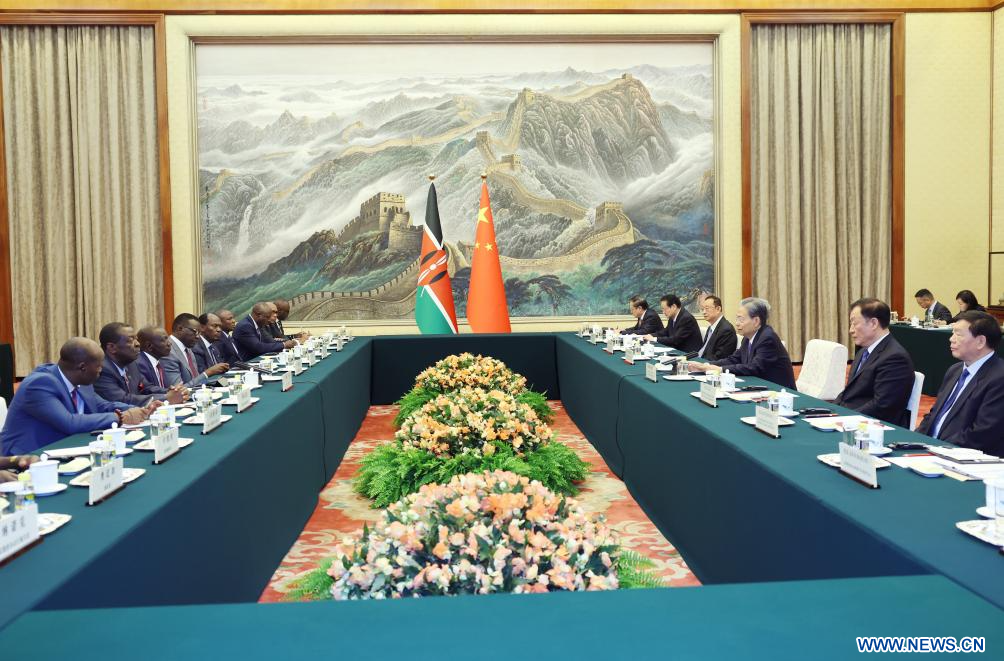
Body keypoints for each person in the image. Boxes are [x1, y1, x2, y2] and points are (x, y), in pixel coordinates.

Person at [0, 338, 155, 455]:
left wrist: (141, 409)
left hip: (64, 450)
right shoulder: (40, 384)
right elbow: (69, 422)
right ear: (82, 367)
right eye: (99, 366)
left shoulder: (80, 380)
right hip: (27, 458)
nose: (101, 370)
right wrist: (120, 417)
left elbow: (103, 405)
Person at [916, 311, 1004, 456]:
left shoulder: (999, 378)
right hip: (932, 448)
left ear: (980, 342)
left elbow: (982, 434)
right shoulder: (955, 370)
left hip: (964, 457)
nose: (951, 339)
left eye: (958, 334)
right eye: (952, 333)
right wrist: (914, 439)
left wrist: (937, 449)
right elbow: (934, 414)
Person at [834, 299, 915, 426]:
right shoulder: (863, 351)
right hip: (852, 418)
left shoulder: (895, 358)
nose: (851, 330)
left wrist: (844, 419)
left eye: (854, 324)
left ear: (873, 323)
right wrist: (832, 412)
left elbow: (882, 406)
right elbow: (848, 393)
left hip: (873, 427)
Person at [687, 297, 796, 389]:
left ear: (756, 321)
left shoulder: (767, 338)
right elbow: (734, 359)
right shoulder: (748, 337)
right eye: (737, 318)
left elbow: (754, 367)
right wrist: (707, 365)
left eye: (741, 319)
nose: (737, 323)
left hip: (780, 392)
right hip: (759, 387)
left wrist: (720, 370)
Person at [94, 322, 186, 406]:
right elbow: (123, 399)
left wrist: (172, 391)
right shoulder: (101, 369)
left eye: (136, 339)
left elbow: (146, 388)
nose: (138, 344)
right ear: (112, 347)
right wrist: (166, 397)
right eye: (131, 340)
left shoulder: (131, 364)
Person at [163, 313, 230, 388]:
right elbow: (178, 389)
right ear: (180, 328)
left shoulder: (188, 348)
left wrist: (226, 382)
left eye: (199, 333)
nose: (198, 336)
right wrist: (207, 373)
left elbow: (196, 380)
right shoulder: (168, 351)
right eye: (195, 331)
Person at [234, 302, 301, 360]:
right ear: (258, 315)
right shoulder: (245, 326)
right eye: (267, 317)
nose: (268, 320)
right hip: (247, 363)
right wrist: (284, 345)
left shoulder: (257, 323)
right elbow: (259, 347)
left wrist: (287, 343)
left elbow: (268, 342)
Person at [694, 295, 737, 361]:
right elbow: (704, 350)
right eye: (703, 309)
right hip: (699, 359)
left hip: (709, 365)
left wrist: (699, 363)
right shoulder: (710, 328)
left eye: (707, 308)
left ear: (718, 309)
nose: (704, 312)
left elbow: (719, 358)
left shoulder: (726, 330)